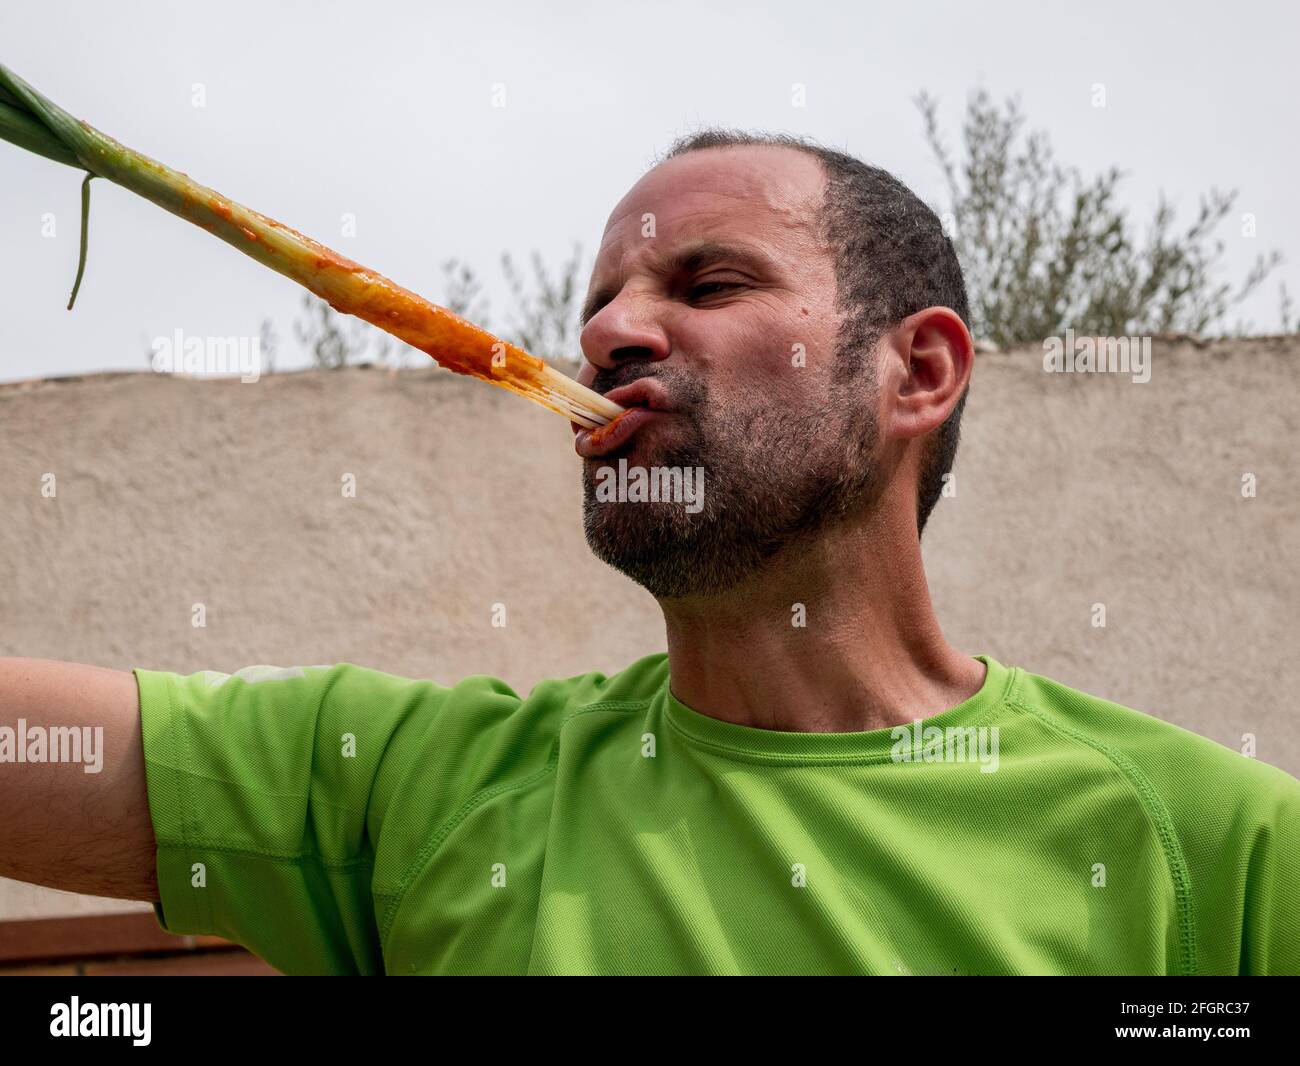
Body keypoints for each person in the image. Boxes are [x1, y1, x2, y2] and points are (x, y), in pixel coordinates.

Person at [2, 131, 1296, 976]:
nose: (615, 331)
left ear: (921, 370)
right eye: (600, 305)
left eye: (710, 284)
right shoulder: (412, 786)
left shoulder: (1219, 849)